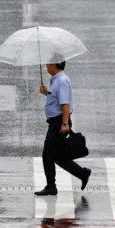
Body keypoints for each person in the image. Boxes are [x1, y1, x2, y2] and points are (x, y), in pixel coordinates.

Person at [34, 61, 91, 196]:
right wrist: (46, 92)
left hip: (59, 123)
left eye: (48, 65)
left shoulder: (61, 81)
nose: (46, 67)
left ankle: (51, 186)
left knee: (47, 154)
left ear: (54, 65)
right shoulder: (57, 80)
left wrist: (65, 124)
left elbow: (65, 105)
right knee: (56, 156)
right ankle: (82, 173)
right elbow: (57, 98)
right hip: (56, 122)